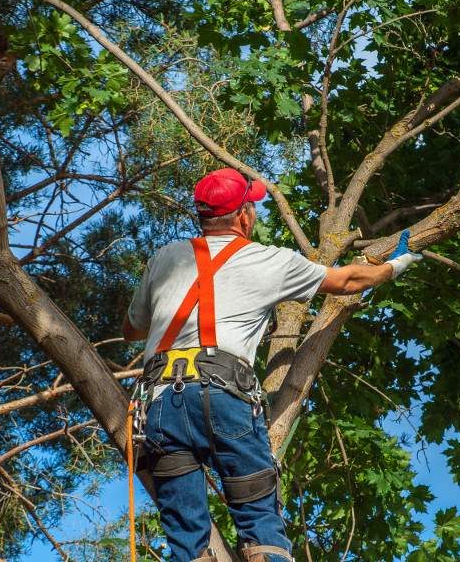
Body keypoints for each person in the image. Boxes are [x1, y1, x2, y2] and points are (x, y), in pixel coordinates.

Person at [122, 168, 422, 562]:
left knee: (186, 545)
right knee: (261, 527)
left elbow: (132, 329)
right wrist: (394, 266)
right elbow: (347, 281)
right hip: (223, 397)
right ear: (244, 216)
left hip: (160, 409)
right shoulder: (269, 260)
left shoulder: (165, 257)